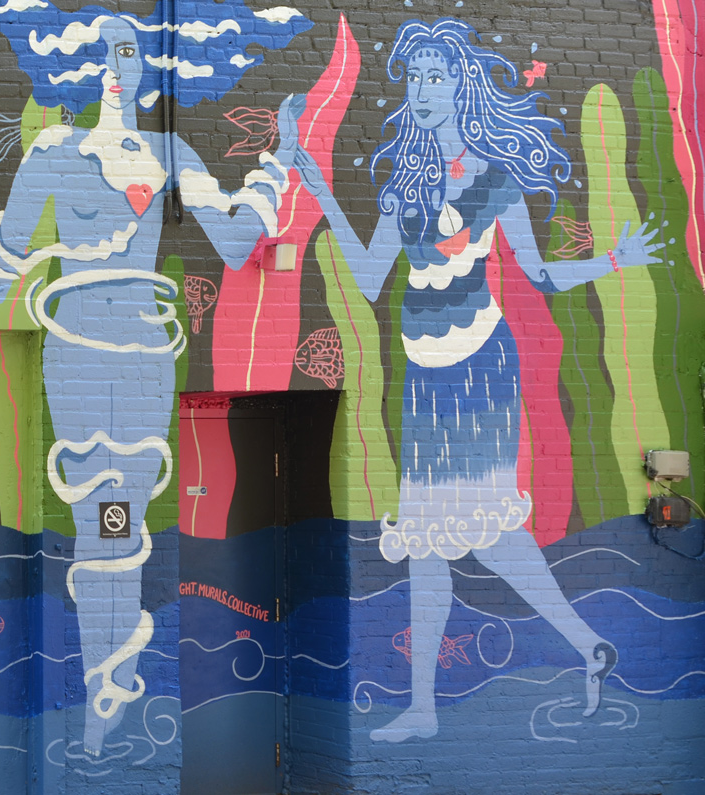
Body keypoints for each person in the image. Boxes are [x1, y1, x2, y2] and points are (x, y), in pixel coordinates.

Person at [0, 0, 311, 756]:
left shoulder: (170, 154)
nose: (113, 69)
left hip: (144, 354)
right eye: (101, 54)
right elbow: (3, 272)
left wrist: (280, 160)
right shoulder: (54, 153)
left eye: (127, 53)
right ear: (79, 67)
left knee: (121, 521)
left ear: (146, 69)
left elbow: (235, 244)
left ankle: (108, 693)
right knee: (98, 520)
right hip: (78, 351)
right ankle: (101, 693)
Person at [294, 17, 662, 742]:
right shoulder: (404, 187)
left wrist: (614, 260)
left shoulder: (495, 180)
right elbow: (367, 278)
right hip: (424, 378)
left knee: (479, 531)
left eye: (436, 77)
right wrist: (325, 194)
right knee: (432, 537)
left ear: (461, 88)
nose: (422, 90)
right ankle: (467, 692)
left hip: (478, 370)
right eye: (414, 78)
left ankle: (530, 665)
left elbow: (542, 274)